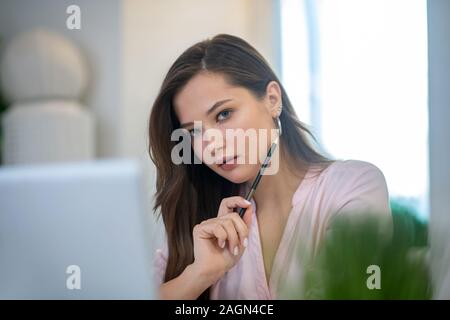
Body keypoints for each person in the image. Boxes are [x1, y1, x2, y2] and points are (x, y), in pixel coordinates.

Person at [148, 34, 391, 299]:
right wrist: (199, 274)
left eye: (224, 114)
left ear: (272, 99)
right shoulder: (195, 215)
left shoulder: (353, 186)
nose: (212, 144)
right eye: (194, 132)